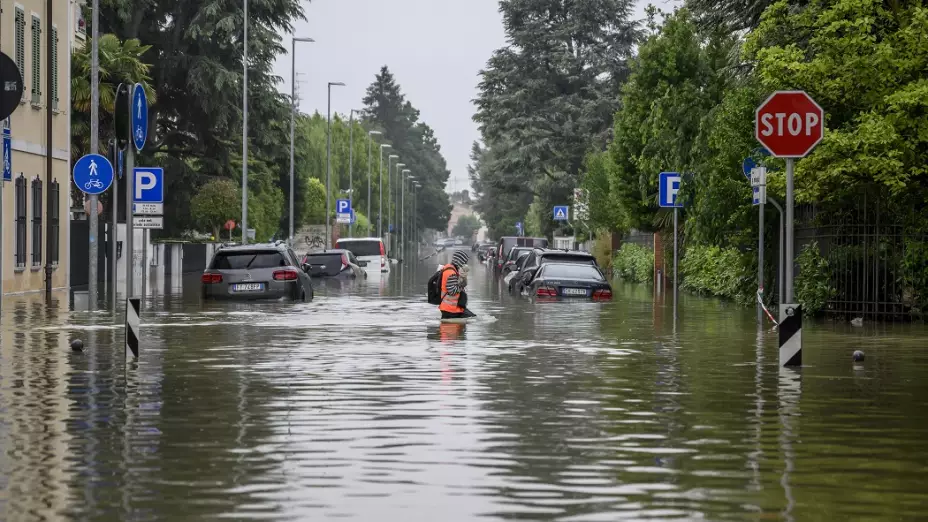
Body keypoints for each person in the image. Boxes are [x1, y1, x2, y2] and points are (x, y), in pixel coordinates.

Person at [439, 250, 477, 319]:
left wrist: (463, 279)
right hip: (450, 310)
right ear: (460, 261)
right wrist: (462, 282)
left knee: (472, 317)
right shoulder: (451, 273)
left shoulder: (451, 269)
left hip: (453, 308)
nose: (465, 264)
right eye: (464, 262)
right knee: (473, 319)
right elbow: (452, 291)